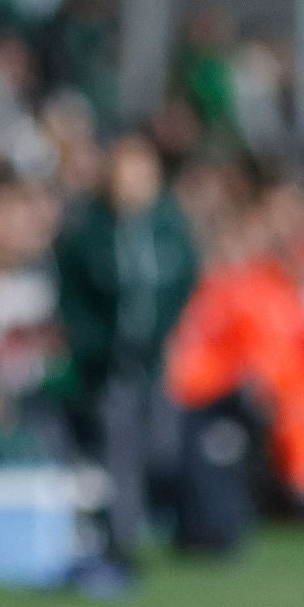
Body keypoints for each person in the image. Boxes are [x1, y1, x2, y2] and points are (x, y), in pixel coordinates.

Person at [54, 132, 196, 576]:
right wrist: (94, 343)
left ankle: (143, 524)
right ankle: (123, 542)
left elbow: (185, 277)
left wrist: (164, 328)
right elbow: (73, 296)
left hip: (155, 357)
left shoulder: (169, 224)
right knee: (120, 450)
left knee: (161, 448)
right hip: (109, 363)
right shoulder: (87, 229)